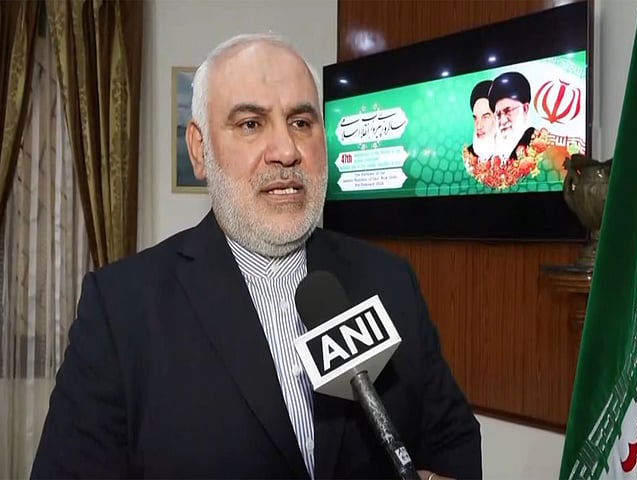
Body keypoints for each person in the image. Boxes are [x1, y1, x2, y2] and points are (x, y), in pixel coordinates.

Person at [31, 33, 481, 479]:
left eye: (301, 122)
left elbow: (453, 442)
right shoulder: (121, 309)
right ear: (199, 150)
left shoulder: (390, 280)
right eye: (250, 123)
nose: (286, 151)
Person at [488, 71, 535, 162]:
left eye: (508, 111)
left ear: (525, 109)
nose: (503, 121)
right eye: (498, 115)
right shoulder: (493, 159)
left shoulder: (539, 149)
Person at [465, 80, 496, 162]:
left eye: (485, 117)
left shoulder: (517, 154)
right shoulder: (468, 156)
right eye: (475, 118)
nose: (478, 126)